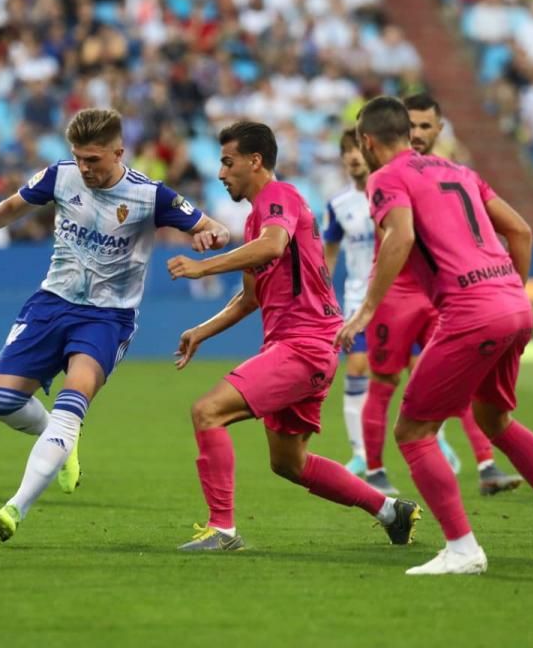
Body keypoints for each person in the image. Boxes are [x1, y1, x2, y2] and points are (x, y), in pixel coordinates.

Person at [337, 96, 533, 575]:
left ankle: (462, 549)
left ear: (368, 141)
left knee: (414, 432)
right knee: (494, 419)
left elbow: (401, 236)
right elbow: (520, 231)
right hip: (514, 304)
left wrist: (367, 307)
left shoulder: (384, 178)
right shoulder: (459, 171)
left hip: (469, 309)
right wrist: (508, 295)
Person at [0, 108, 230, 542]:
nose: (85, 167)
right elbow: (14, 206)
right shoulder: (60, 176)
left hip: (107, 317)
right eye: (79, 157)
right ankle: (65, 438)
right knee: (0, 401)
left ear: (119, 152)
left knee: (72, 396)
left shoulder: (150, 196)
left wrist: (210, 236)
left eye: (94, 160)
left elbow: (212, 226)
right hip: (51, 304)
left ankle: (14, 508)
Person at [166, 121, 420, 552]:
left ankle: (222, 529)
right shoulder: (256, 222)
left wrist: (203, 267)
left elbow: (272, 247)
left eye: (228, 163)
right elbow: (249, 300)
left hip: (303, 345)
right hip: (306, 347)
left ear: (255, 161)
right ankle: (391, 511)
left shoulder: (279, 199)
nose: (221, 173)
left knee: (207, 412)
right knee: (289, 462)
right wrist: (201, 331)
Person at [354, 94, 523, 496]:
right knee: (384, 380)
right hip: (396, 293)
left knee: (461, 382)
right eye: (409, 126)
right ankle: (376, 472)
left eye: (424, 127)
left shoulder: (453, 174)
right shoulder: (390, 176)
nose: (415, 134)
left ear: (438, 130)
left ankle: (486, 466)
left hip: (449, 295)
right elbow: (400, 236)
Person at [320, 129, 375, 476]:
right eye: (346, 151)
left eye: (358, 148)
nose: (353, 156)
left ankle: (438, 440)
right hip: (358, 300)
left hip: (401, 298)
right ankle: (361, 454)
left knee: (418, 372)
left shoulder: (393, 194)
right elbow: (329, 255)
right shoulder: (338, 205)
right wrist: (322, 295)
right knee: (357, 367)